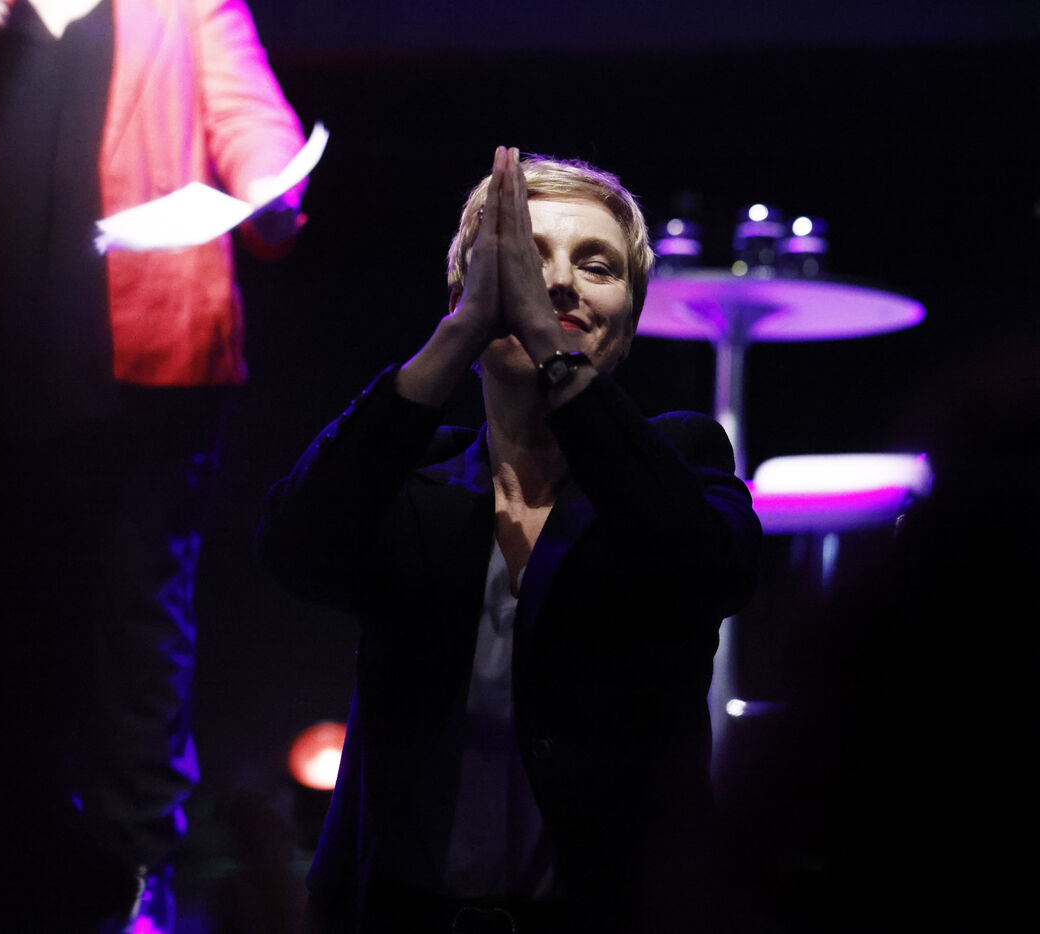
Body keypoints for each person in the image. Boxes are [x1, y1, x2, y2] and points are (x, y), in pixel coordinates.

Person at [256, 148, 761, 933]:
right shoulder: (409, 476)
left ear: (628, 323)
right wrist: (459, 333)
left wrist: (551, 351)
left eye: (595, 266)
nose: (553, 284)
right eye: (524, 262)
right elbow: (294, 550)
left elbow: (708, 571)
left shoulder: (680, 459)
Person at [0, 1, 308, 930]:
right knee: (1, 627)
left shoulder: (188, 6)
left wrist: (271, 187)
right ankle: (8, 867)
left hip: (150, 376)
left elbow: (251, 121)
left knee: (140, 625)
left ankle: (140, 875)